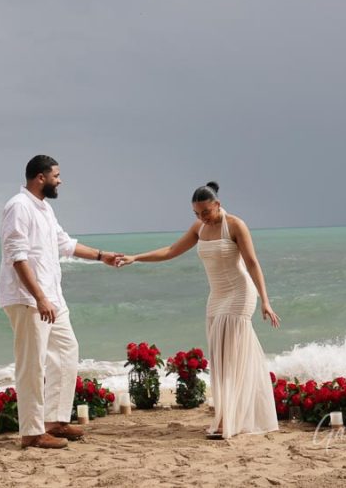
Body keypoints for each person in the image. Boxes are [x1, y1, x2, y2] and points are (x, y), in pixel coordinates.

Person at [117, 181, 280, 439]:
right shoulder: (199, 228)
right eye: (196, 214)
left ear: (217, 204)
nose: (202, 217)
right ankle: (230, 414)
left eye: (206, 212)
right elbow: (171, 251)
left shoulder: (236, 225)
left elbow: (252, 263)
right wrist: (136, 257)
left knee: (232, 357)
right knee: (219, 357)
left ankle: (228, 420)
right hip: (216, 297)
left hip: (239, 294)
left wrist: (265, 301)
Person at [0, 155, 122, 449]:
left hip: (53, 298)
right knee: (32, 365)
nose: (60, 180)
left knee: (67, 352)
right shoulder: (18, 206)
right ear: (40, 177)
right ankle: (31, 432)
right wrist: (39, 297)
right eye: (56, 175)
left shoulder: (45, 209)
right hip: (29, 299)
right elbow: (17, 256)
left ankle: (54, 420)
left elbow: (65, 244)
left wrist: (101, 256)